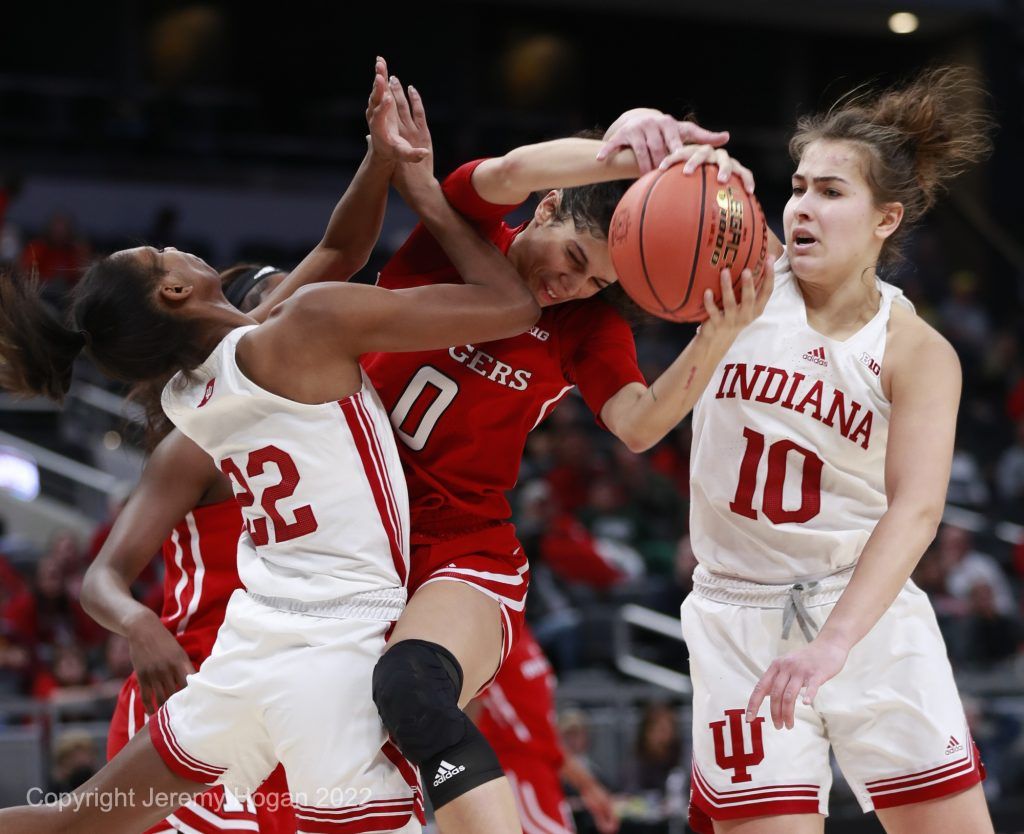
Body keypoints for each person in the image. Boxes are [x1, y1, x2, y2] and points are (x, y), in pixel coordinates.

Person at [0, 59, 539, 834]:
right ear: (176, 292)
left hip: (246, 651)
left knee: (78, 821)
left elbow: (339, 250)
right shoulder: (302, 328)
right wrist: (423, 194)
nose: (176, 249)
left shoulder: (189, 393)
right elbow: (512, 306)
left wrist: (377, 159)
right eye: (161, 255)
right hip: (336, 648)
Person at [363, 80, 773, 834]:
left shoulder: (585, 323)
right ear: (549, 207)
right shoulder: (460, 228)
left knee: (413, 687)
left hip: (457, 542)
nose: (571, 284)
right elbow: (515, 169)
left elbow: (640, 425)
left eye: (596, 280)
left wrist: (718, 335)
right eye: (575, 257)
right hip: (352, 522)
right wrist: (630, 149)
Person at [673, 67, 995, 833]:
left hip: (865, 612)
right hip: (739, 617)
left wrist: (834, 643)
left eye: (830, 191)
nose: (803, 207)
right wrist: (654, 148)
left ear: (886, 219)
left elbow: (917, 510)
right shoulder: (741, 277)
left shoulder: (916, 350)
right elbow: (668, 196)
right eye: (797, 188)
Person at [80, 269, 295, 834]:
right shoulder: (200, 439)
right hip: (192, 691)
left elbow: (336, 256)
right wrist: (139, 624)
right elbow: (102, 576)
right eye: (273, 293)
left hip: (292, 700)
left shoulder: (334, 419)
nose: (294, 300)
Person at [471, 625, 619, 834]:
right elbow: (464, 714)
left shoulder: (522, 631)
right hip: (516, 781)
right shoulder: (487, 635)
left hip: (545, 779)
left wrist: (588, 785)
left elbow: (544, 734)